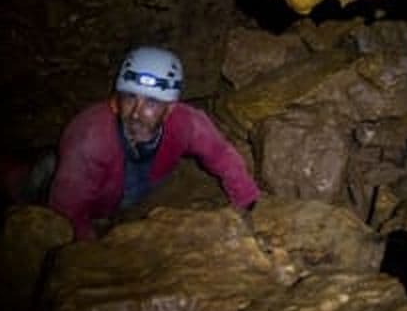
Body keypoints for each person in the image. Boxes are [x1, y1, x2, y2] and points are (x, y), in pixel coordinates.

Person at [41, 45, 259, 240]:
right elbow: (67, 211)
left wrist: (248, 201)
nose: (136, 113)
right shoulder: (90, 137)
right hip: (57, 180)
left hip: (120, 197)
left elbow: (220, 154)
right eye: (130, 98)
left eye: (151, 102)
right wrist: (88, 247)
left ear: (170, 109)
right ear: (117, 99)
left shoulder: (186, 124)